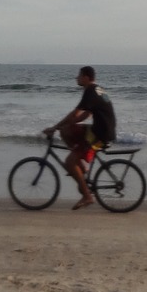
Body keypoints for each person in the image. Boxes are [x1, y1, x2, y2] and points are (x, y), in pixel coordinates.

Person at [43, 66, 116, 210]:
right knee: (65, 131)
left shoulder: (90, 90)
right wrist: (64, 126)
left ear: (87, 77)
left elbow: (75, 114)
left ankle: (88, 196)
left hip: (101, 134)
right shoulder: (96, 89)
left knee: (69, 162)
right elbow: (86, 115)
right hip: (101, 130)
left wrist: (54, 127)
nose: (77, 78)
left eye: (79, 75)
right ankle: (80, 166)